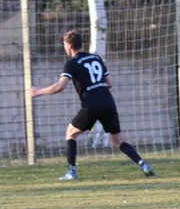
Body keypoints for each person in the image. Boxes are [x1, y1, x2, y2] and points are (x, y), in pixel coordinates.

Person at [30, 30, 154, 180]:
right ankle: (143, 165)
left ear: (69, 46)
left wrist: (39, 91)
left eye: (64, 44)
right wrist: (90, 89)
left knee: (71, 134)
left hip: (91, 105)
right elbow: (109, 83)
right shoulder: (96, 58)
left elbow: (60, 86)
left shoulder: (72, 63)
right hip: (108, 102)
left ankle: (72, 172)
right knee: (118, 141)